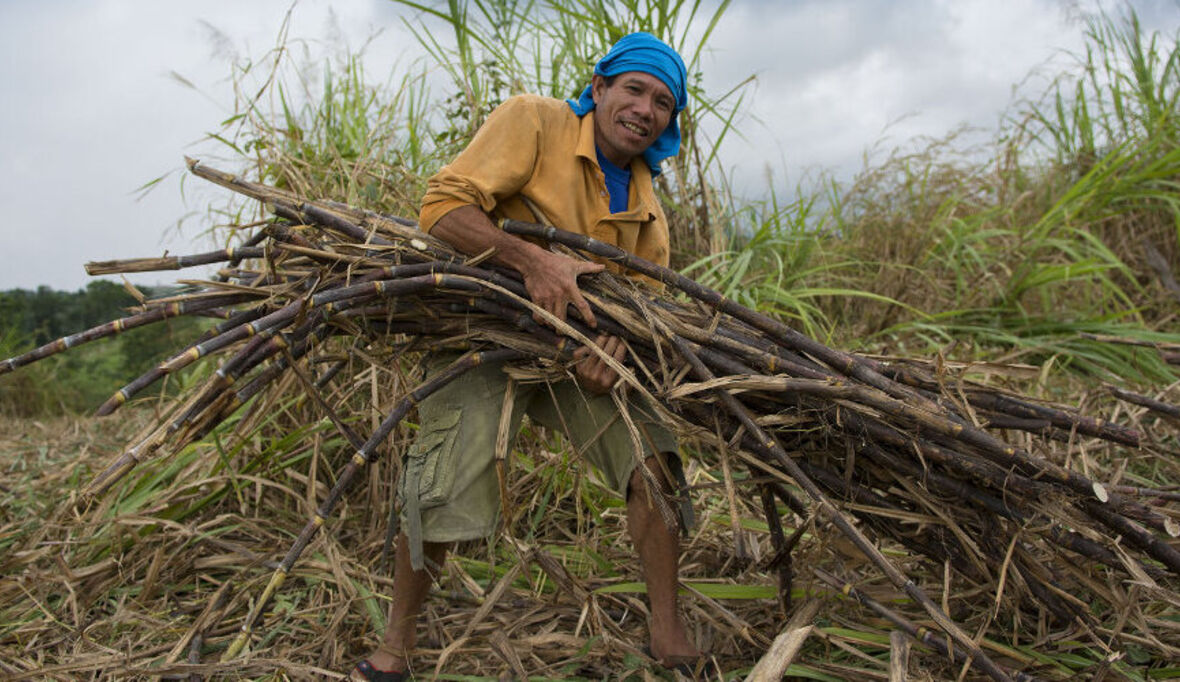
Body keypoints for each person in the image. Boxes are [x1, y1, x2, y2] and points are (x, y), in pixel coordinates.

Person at [351, 32, 713, 681]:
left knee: (652, 458)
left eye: (663, 102)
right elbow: (441, 208)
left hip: (574, 366)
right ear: (600, 88)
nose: (645, 108)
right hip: (484, 339)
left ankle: (668, 626)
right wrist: (530, 259)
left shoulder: (649, 213)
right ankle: (397, 645)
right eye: (634, 88)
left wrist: (613, 353)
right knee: (443, 477)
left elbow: (638, 314)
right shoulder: (536, 121)